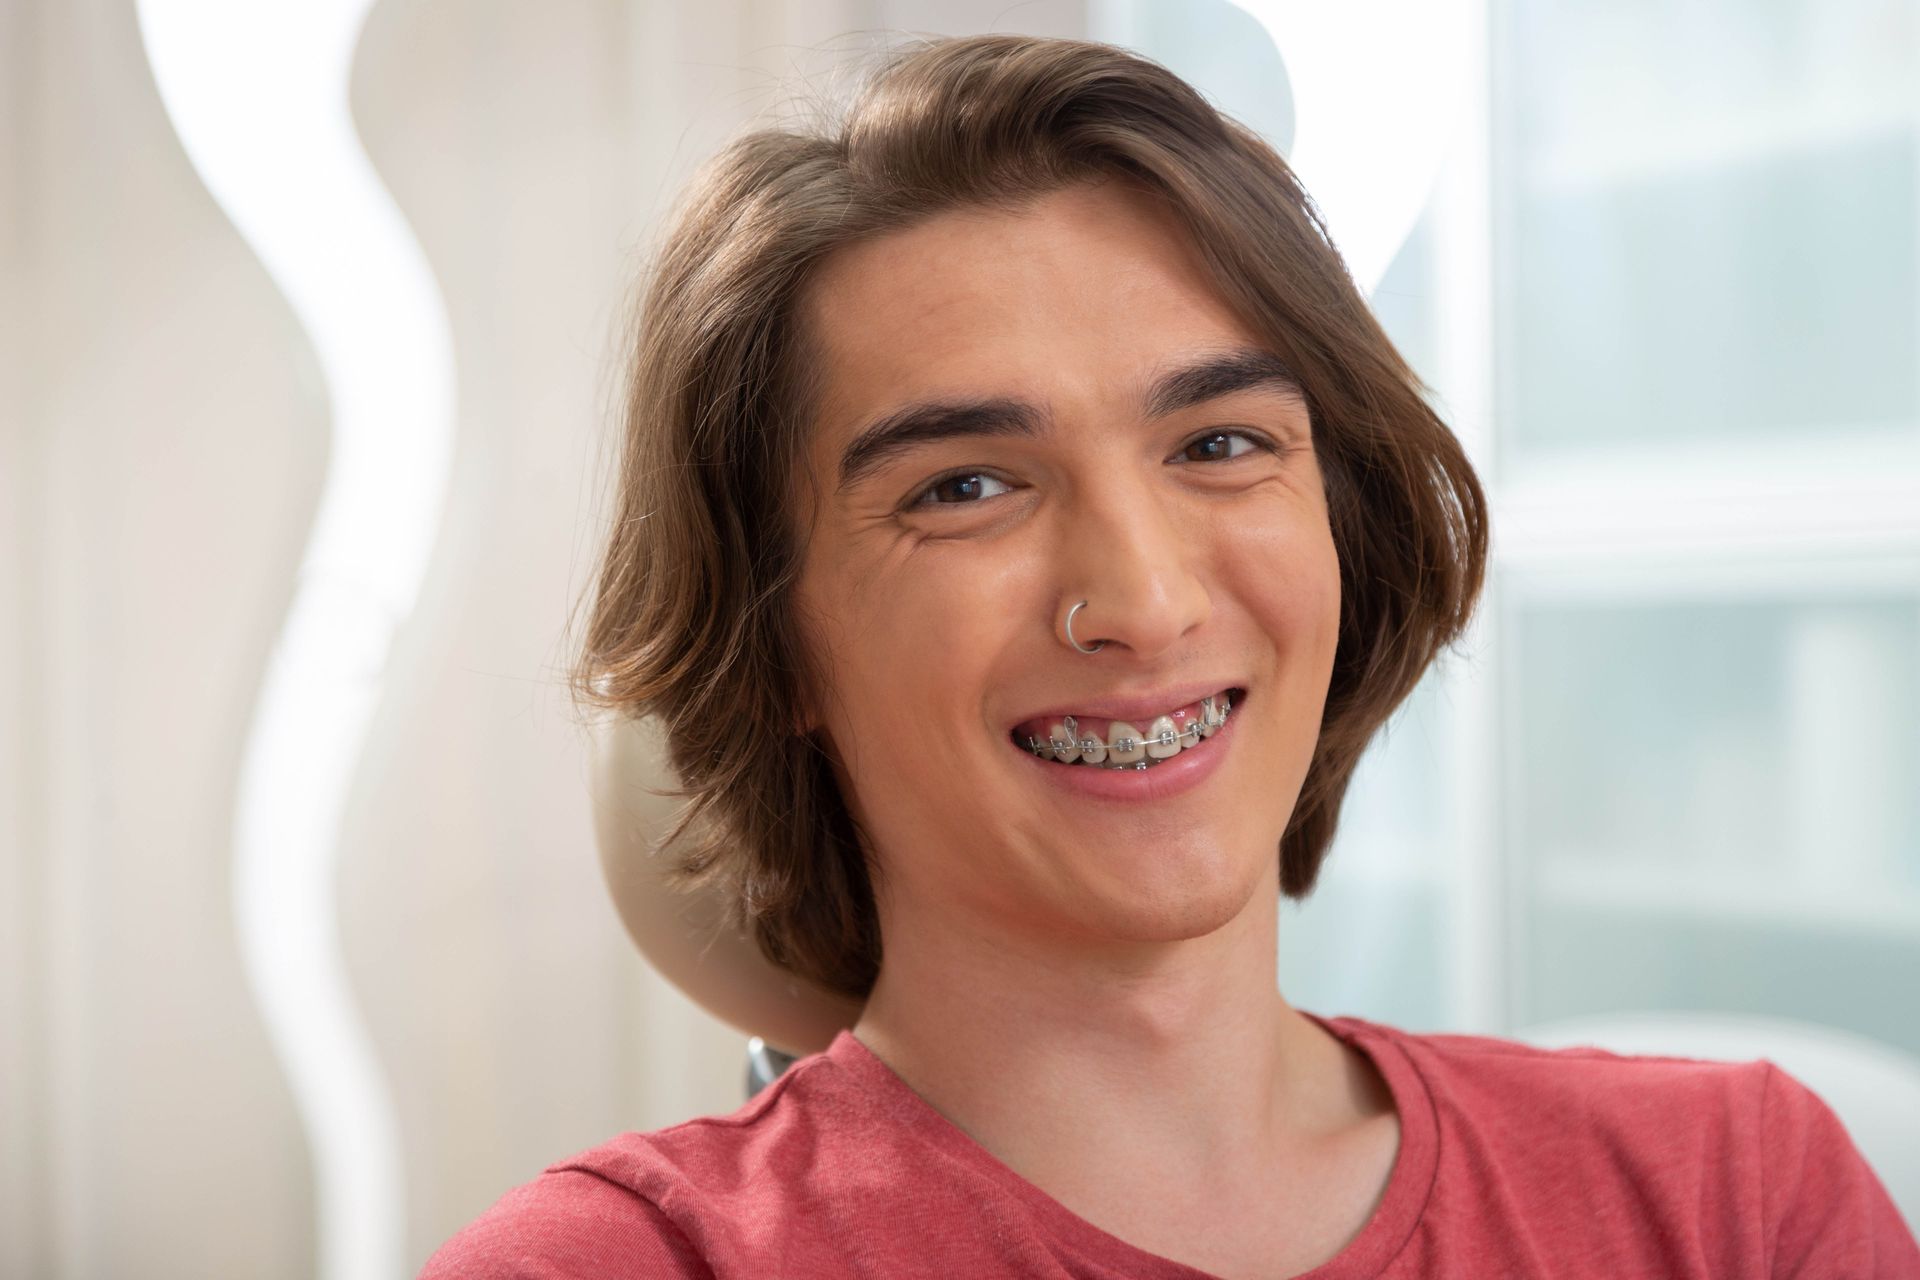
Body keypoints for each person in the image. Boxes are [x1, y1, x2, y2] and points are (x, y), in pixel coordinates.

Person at [421, 32, 1920, 1279]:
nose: (1141, 600)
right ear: (777, 646)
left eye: (1218, 444)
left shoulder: (1733, 1194)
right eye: (966, 485)